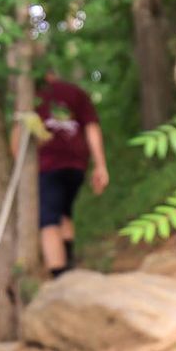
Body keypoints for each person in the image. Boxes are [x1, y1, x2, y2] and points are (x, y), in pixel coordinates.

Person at [33, 70, 109, 276]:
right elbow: (91, 127)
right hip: (76, 164)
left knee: (48, 219)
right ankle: (68, 261)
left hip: (48, 164)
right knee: (64, 212)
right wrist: (100, 164)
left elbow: (20, 136)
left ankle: (59, 274)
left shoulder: (34, 97)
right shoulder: (76, 93)